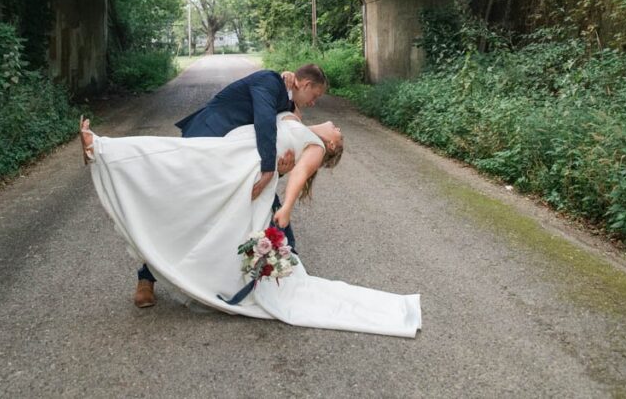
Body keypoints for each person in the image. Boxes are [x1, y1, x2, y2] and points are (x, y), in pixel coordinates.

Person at [79, 114, 422, 338]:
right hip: (235, 150)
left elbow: (298, 174)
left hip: (243, 167)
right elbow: (279, 120)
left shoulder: (315, 146)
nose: (336, 125)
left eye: (339, 134)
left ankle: (103, 149)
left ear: (331, 145)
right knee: (180, 166)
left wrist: (285, 208)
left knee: (179, 164)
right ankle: (104, 151)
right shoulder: (297, 118)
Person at [133, 64, 328, 308]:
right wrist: (269, 169)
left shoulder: (285, 98)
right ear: (306, 85)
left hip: (233, 159)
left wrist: (281, 167)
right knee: (187, 212)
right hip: (206, 141)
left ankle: (288, 271)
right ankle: (146, 278)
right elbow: (264, 122)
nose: (313, 103)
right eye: (315, 96)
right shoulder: (269, 81)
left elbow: (288, 127)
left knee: (264, 205)